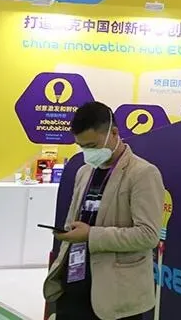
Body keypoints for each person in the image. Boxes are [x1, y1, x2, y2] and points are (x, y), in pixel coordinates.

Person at [43, 102, 165, 320]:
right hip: (74, 285)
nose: (88, 153)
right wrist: (68, 233)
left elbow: (148, 235)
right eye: (82, 147)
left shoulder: (143, 173)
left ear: (114, 133)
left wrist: (91, 235)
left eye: (92, 145)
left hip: (116, 295)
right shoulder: (84, 172)